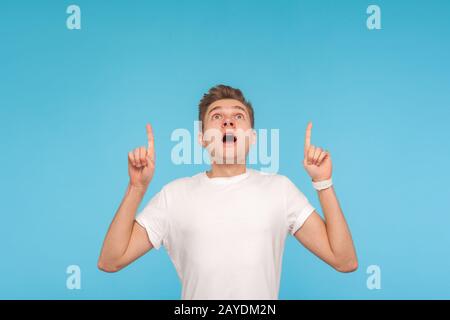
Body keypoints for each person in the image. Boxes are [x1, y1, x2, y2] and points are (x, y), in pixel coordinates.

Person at [97, 84, 358, 300]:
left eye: (238, 116)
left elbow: (344, 261)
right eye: (217, 117)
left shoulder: (280, 190)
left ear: (252, 137)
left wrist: (323, 183)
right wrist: (136, 187)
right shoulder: (174, 196)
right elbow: (111, 260)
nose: (228, 122)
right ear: (201, 138)